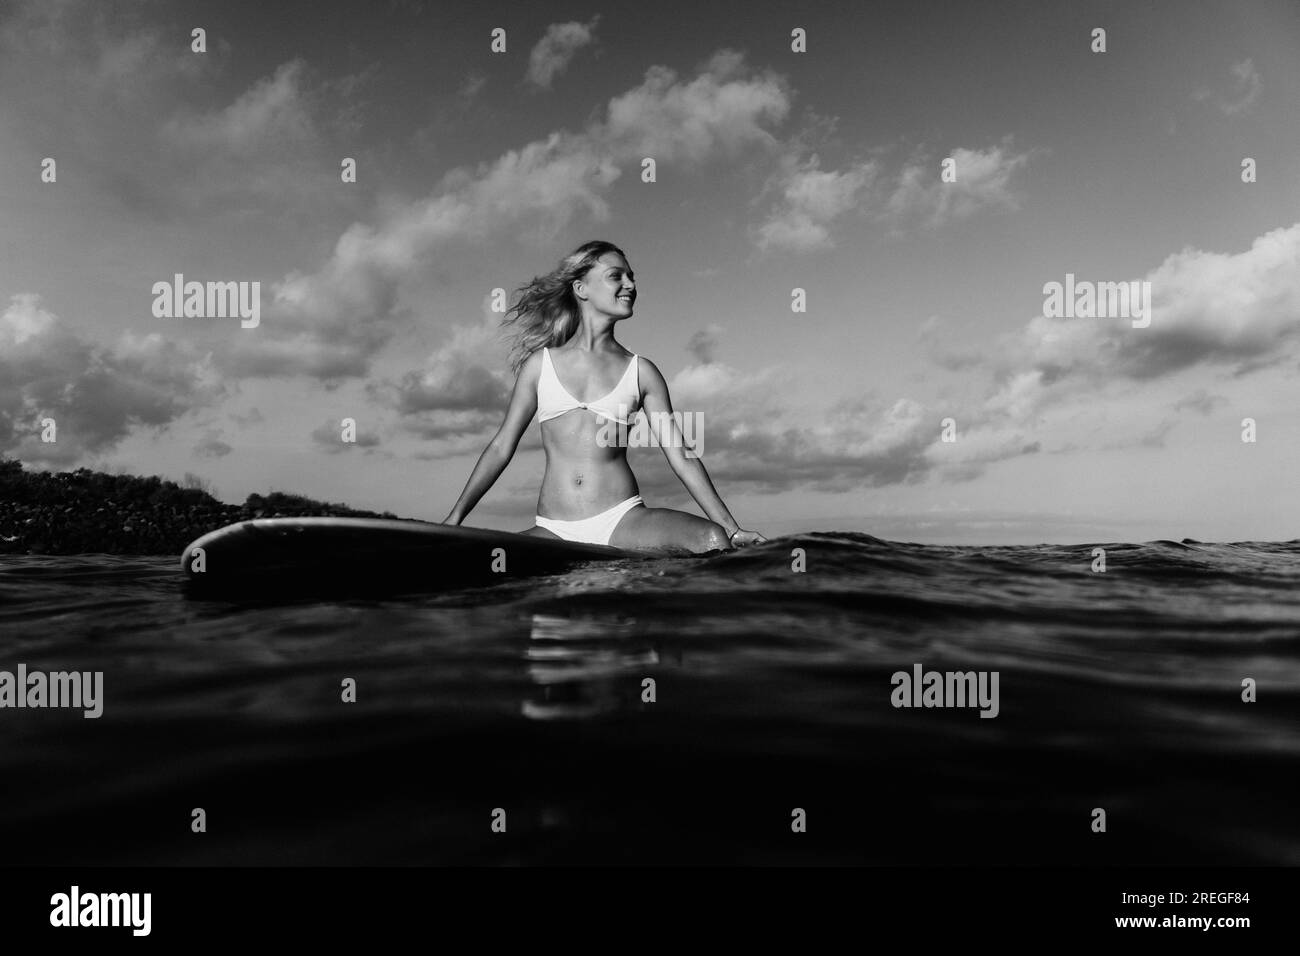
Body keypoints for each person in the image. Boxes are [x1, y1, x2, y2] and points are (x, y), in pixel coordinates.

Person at [442, 240, 765, 553]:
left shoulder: (641, 372)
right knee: (488, 560)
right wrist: (455, 519)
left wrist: (731, 527)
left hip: (622, 519)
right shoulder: (540, 365)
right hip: (554, 528)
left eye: (631, 277)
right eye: (616, 276)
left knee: (711, 538)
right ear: (581, 289)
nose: (630, 285)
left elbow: (680, 454)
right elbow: (501, 447)